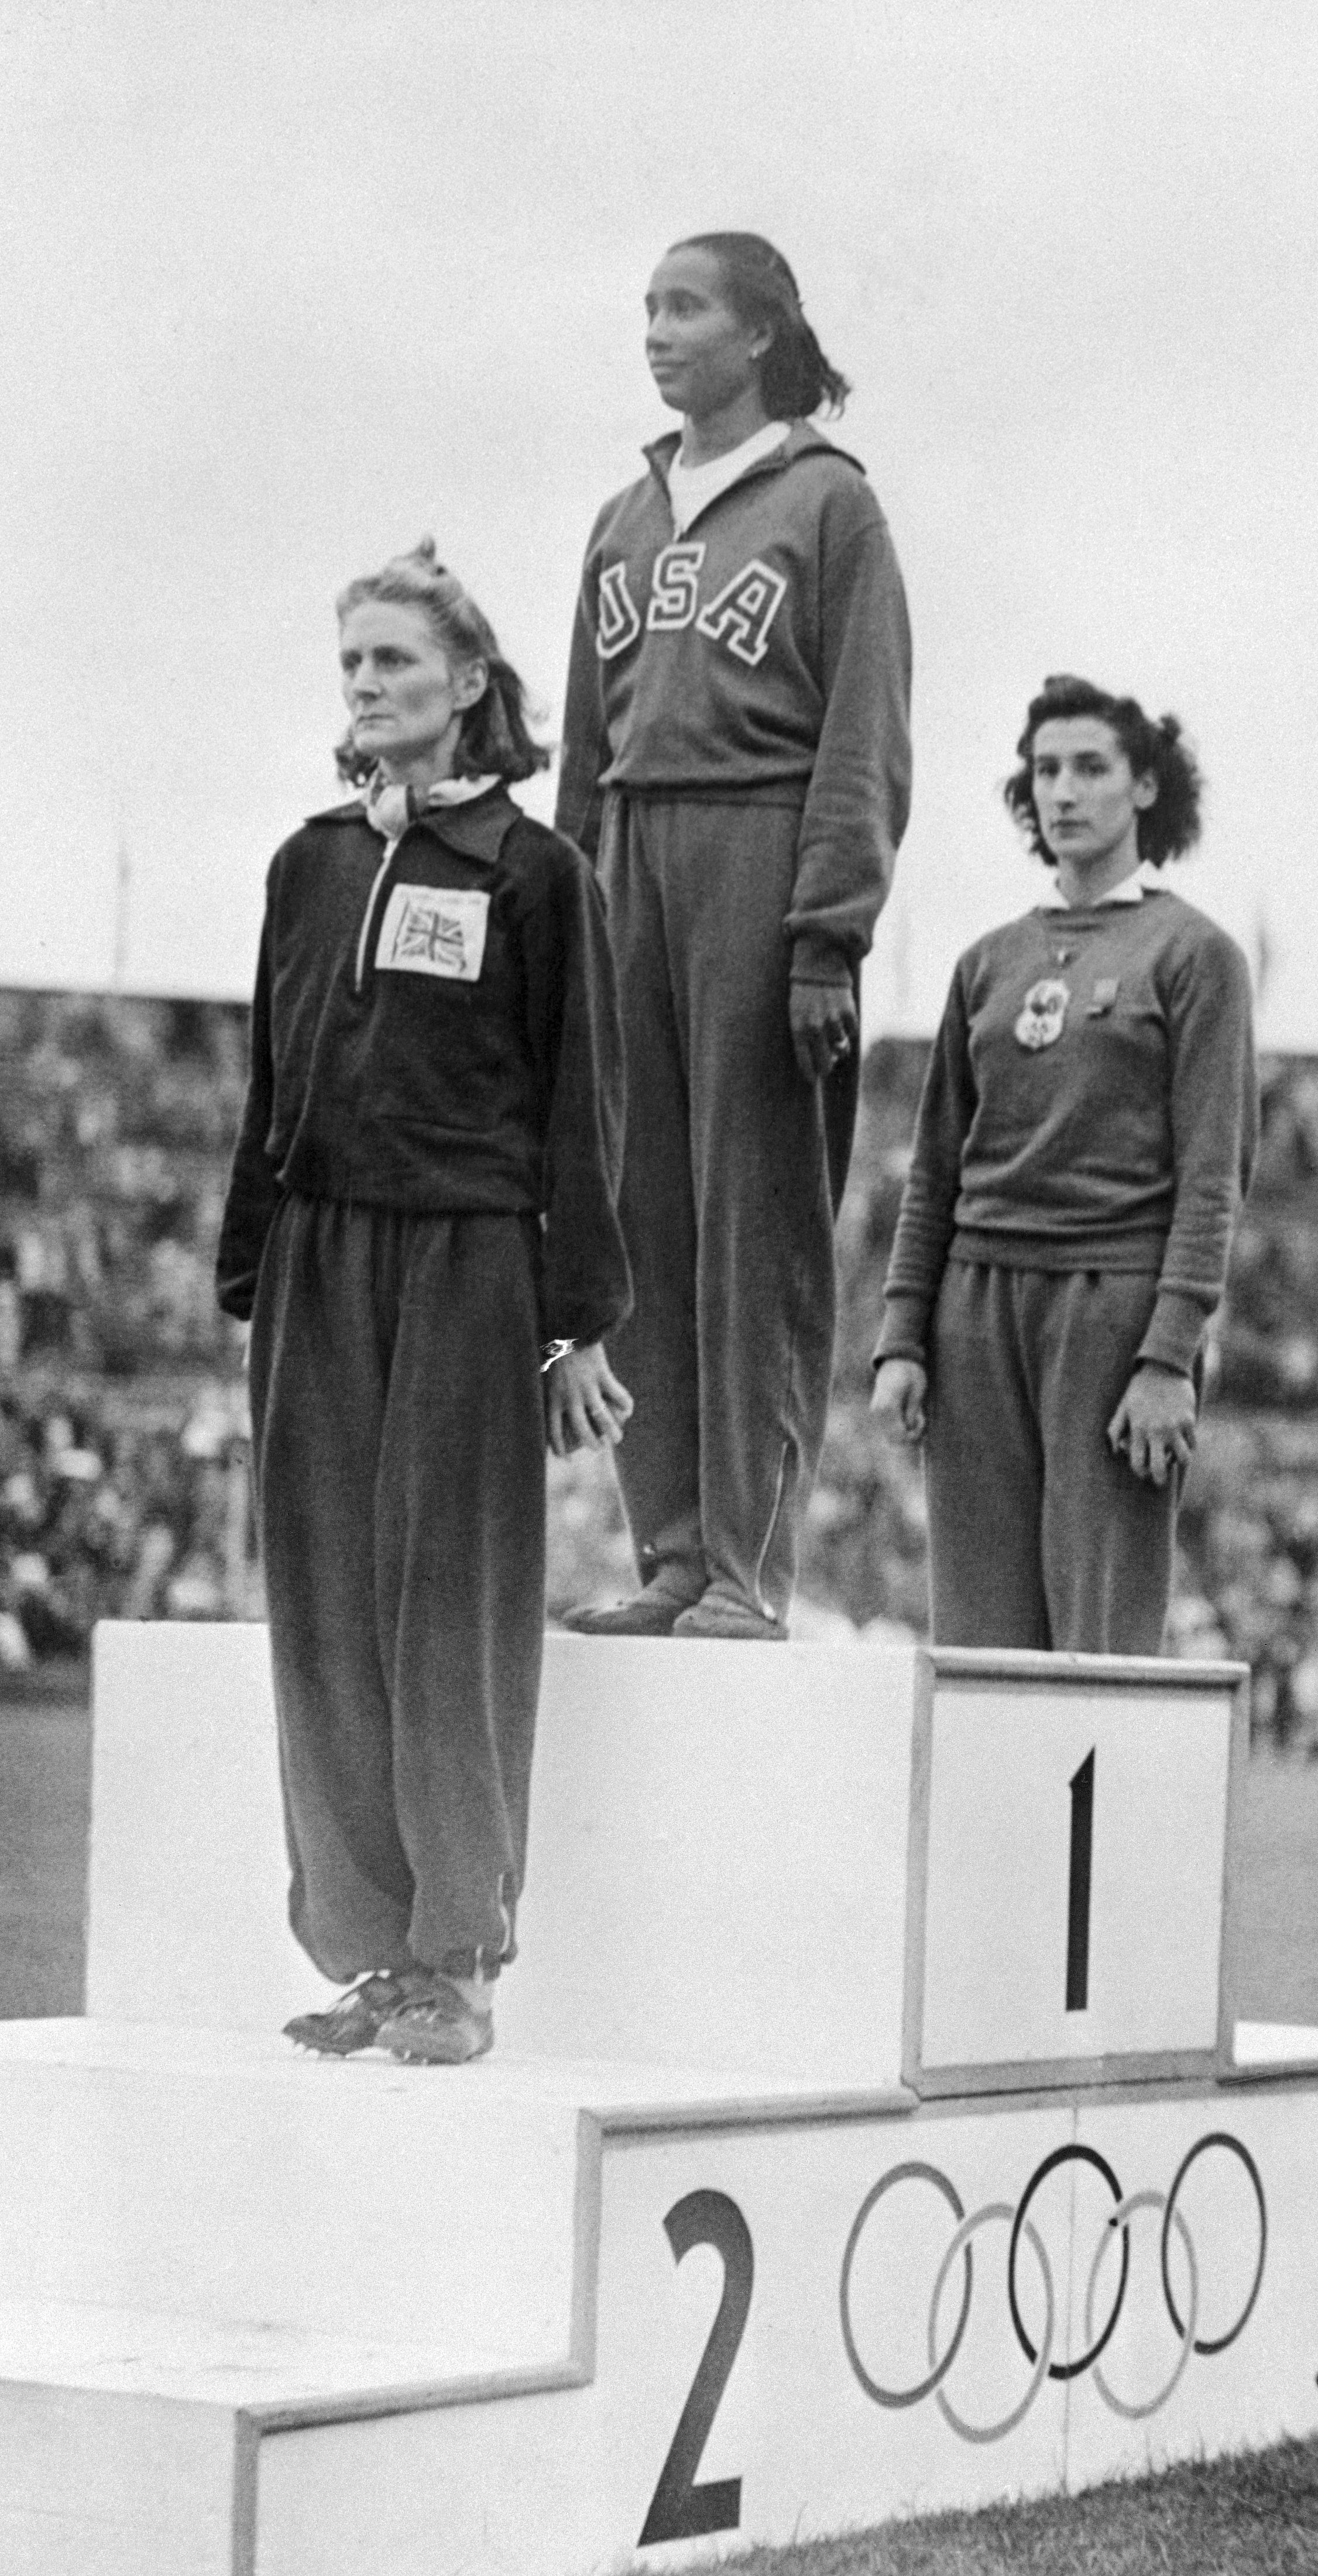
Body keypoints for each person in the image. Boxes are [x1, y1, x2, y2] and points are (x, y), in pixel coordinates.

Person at [217, 542, 631, 2065]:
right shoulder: (308, 861)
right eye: (353, 665)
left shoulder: (534, 873)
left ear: (467, 682)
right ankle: (372, 1951)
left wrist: (575, 1317)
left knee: (442, 1605)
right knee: (323, 1604)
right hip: (319, 1256)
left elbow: (584, 1100)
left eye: (396, 660)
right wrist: (252, 1265)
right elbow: (271, 1082)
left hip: (468, 1259)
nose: (369, 687)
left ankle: (458, 1959)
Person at [555, 231, 911, 1641]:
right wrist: (570, 918)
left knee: (751, 1221)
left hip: (763, 856)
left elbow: (864, 730)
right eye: (646, 305)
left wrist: (827, 931)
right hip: (632, 856)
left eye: (686, 307)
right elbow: (587, 744)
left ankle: (751, 1569)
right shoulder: (622, 517)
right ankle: (674, 1552)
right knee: (640, 1213)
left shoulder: (832, 507)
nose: (656, 330)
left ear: (760, 334)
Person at [871, 675, 1257, 1655]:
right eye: (1046, 770)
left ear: (1143, 789)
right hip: (977, 1306)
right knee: (980, 1636)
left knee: (1099, 1632)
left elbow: (1215, 1174)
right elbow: (936, 1173)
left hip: (1112, 1307)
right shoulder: (988, 962)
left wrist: (1169, 1355)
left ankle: (1103, 1816)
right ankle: (990, 1818)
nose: (1064, 790)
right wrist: (904, 1336)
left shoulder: (1194, 953)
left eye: (1092, 767)